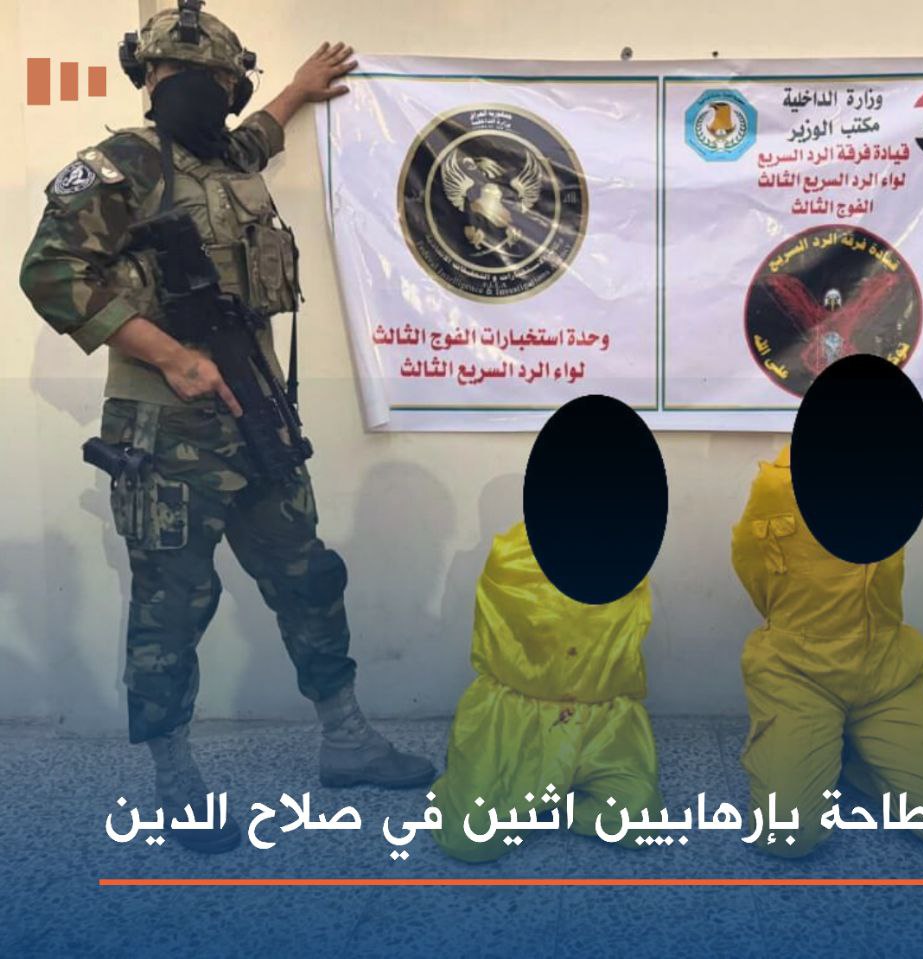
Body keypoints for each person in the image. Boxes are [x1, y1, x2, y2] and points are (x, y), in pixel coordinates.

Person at [19, 5, 434, 853]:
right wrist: (170, 355)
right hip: (166, 432)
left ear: (228, 87)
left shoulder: (226, 157)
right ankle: (175, 782)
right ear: (149, 80)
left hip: (256, 417)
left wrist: (299, 89)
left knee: (308, 577)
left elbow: (260, 136)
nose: (189, 91)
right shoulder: (123, 165)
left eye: (209, 80)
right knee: (172, 608)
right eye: (174, 77)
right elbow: (49, 270)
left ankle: (346, 739)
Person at [732, 446, 923, 856]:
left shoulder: (895, 480)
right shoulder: (777, 485)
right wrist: (797, 629)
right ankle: (808, 749)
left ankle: (855, 756)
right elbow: (752, 567)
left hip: (887, 674)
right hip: (797, 674)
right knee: (786, 838)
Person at [429, 522, 663, 862]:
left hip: (602, 731)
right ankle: (475, 779)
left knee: (640, 826)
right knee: (469, 840)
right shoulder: (511, 559)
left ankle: (558, 800)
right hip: (513, 729)